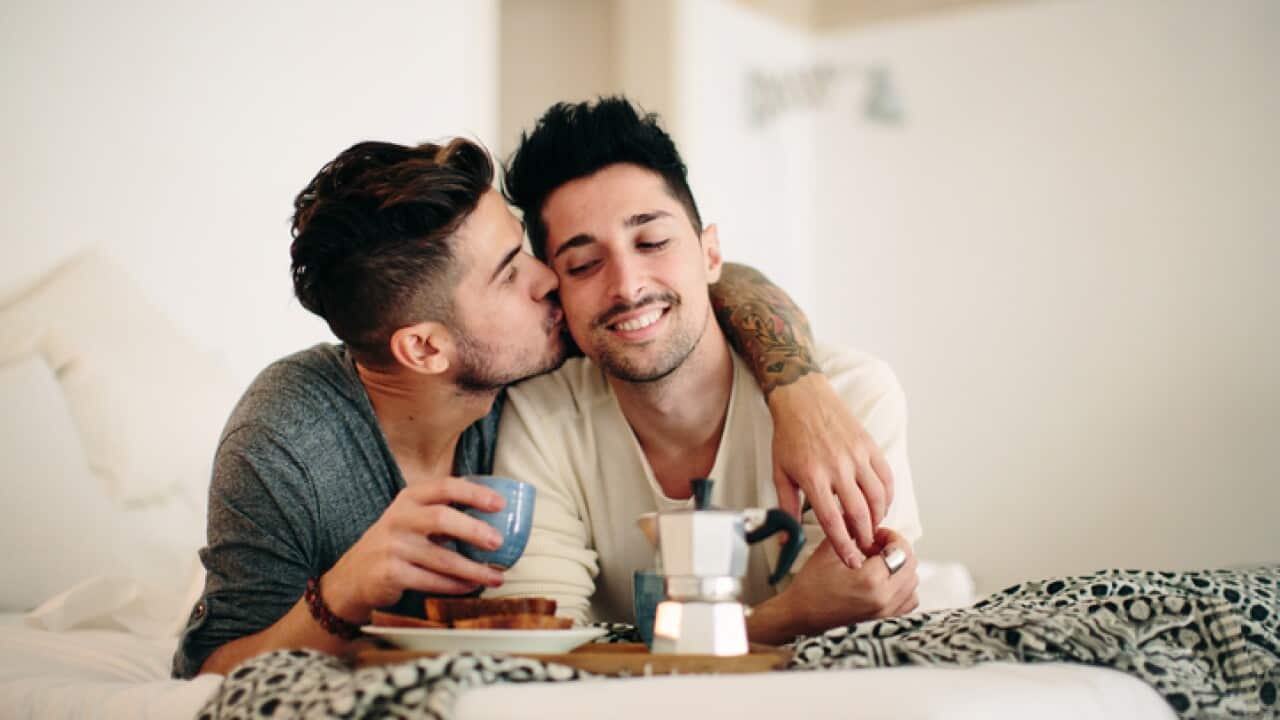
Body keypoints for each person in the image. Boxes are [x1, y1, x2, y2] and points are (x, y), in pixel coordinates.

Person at [174, 137, 890, 677]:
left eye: (531, 253)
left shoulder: (541, 353)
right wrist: (342, 594)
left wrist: (799, 386)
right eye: (512, 272)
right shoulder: (287, 440)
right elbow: (203, 678)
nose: (553, 281)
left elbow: (703, 284)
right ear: (426, 349)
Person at [488, 97, 923, 644]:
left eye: (652, 241)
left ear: (711, 254)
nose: (627, 284)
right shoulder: (541, 416)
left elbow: (853, 627)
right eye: (583, 264)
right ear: (558, 290)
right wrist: (784, 617)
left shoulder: (852, 396)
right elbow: (537, 648)